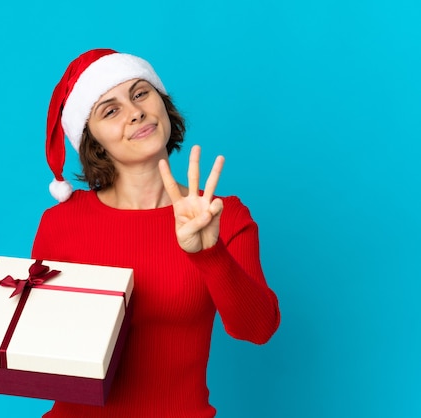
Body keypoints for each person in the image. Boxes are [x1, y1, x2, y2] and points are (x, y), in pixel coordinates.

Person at [31, 48, 280, 418]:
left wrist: (209, 253)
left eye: (140, 93)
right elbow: (38, 353)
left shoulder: (221, 215)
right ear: (93, 139)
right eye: (110, 110)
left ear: (162, 103)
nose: (135, 112)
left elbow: (258, 329)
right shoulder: (60, 222)